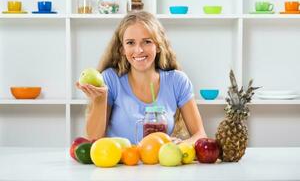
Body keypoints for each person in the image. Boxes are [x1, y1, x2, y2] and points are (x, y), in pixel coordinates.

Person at [76, 11, 207, 144]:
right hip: (120, 163)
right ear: (122, 49)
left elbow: (200, 135)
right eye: (130, 43)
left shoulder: (177, 81)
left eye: (147, 42)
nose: (139, 50)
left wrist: (179, 146)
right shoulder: (111, 80)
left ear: (158, 46)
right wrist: (99, 99)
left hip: (158, 163)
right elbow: (93, 139)